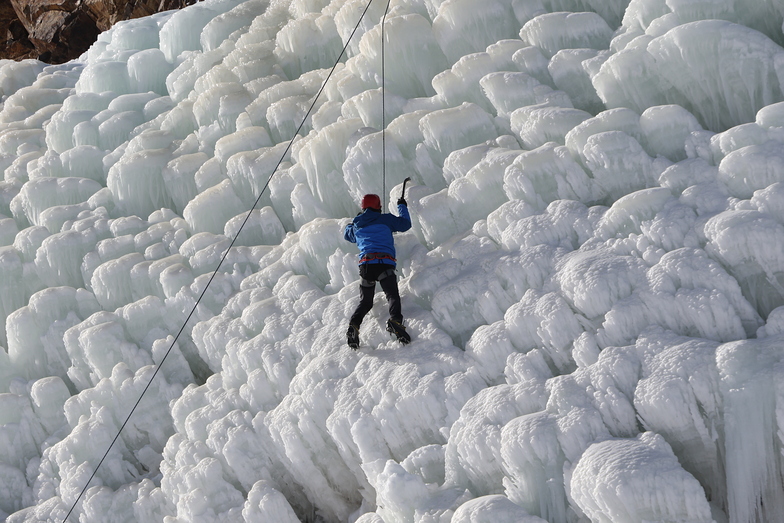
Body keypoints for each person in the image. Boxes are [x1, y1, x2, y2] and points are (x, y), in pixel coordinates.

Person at [343, 193, 412, 349]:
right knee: (392, 295)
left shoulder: (357, 224)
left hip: (366, 266)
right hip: (384, 263)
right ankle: (395, 321)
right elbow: (405, 224)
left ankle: (354, 325)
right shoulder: (386, 219)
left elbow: (348, 235)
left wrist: (353, 222)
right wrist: (402, 206)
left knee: (366, 302)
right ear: (378, 206)